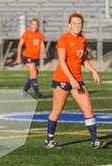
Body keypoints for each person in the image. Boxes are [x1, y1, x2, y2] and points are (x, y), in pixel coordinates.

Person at [46, 12, 106, 149]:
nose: (77, 26)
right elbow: (62, 61)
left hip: (77, 80)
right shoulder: (64, 39)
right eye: (74, 23)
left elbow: (83, 60)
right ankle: (49, 140)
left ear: (82, 25)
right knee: (57, 110)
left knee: (88, 108)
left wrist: (93, 71)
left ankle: (95, 140)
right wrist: (71, 79)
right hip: (62, 80)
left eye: (79, 23)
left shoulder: (82, 39)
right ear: (69, 25)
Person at [16, 18, 46, 98]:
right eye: (33, 24)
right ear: (30, 25)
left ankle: (24, 90)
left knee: (35, 74)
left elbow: (42, 45)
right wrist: (18, 57)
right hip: (28, 56)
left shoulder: (40, 35)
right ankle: (37, 94)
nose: (34, 26)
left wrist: (44, 53)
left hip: (36, 57)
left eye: (36, 24)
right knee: (34, 75)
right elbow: (19, 46)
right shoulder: (26, 34)